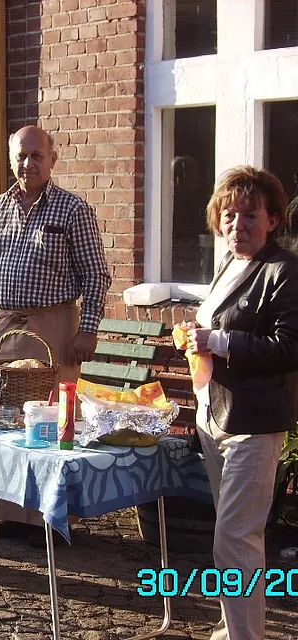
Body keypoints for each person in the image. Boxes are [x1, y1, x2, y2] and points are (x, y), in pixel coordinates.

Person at [0, 125, 111, 541]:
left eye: (37, 156)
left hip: (55, 326)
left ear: (52, 159)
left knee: (49, 419)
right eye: (21, 156)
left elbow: (96, 275)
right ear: (12, 159)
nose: (28, 164)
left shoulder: (72, 210)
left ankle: (46, 518)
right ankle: (6, 513)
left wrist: (88, 329)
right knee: (5, 421)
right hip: (7, 326)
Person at [176, 165, 298, 640]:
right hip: (214, 415)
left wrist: (218, 340)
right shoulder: (229, 264)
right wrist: (196, 335)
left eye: (250, 215)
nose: (237, 225)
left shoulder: (284, 271)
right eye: (229, 215)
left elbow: (288, 348)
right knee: (236, 541)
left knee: (235, 540)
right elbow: (219, 327)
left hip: (254, 424)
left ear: (272, 220)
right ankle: (234, 629)